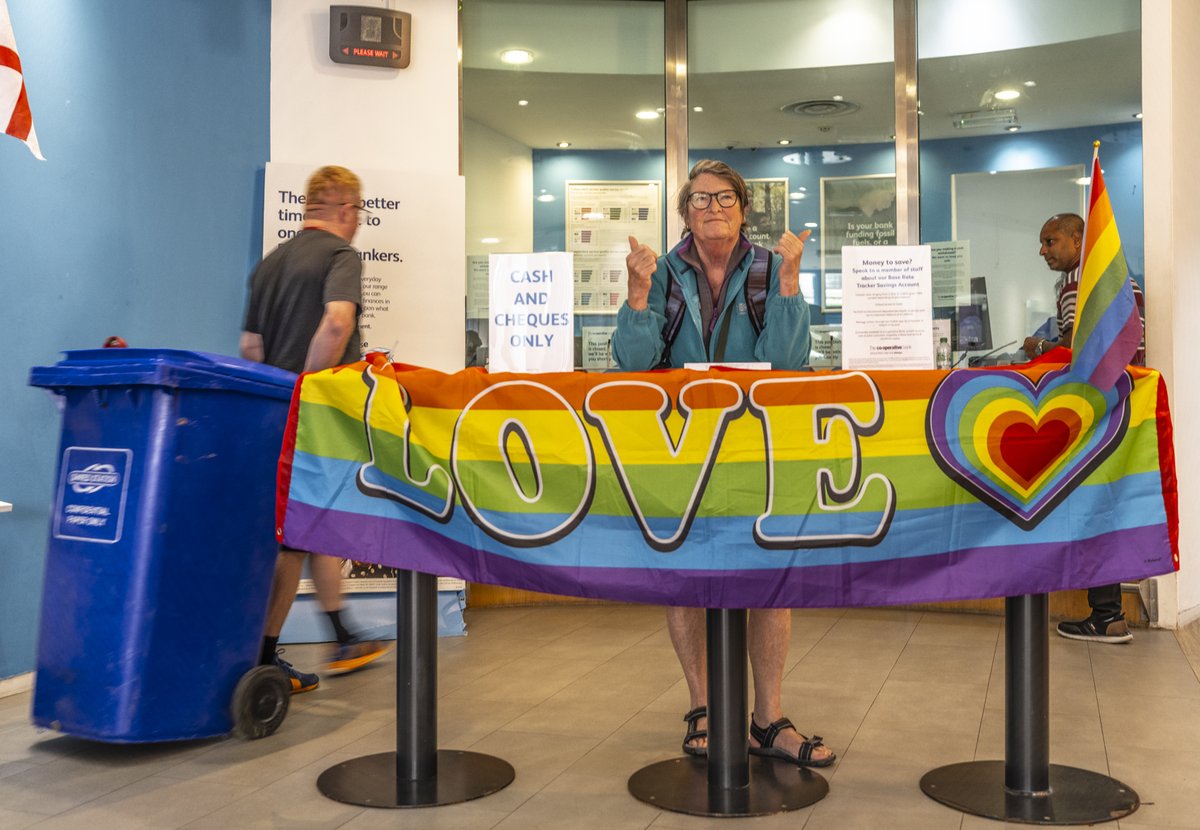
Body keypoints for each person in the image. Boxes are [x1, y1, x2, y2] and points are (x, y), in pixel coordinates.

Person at [611, 159, 833, 767]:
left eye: (725, 197)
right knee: (684, 577)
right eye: (701, 199)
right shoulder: (659, 271)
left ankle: (768, 719)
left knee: (769, 578)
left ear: (744, 208)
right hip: (679, 447)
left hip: (756, 445)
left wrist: (789, 284)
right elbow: (632, 366)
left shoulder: (768, 266)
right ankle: (703, 706)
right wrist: (636, 296)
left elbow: (787, 364)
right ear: (685, 213)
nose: (713, 208)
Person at [241, 165, 390, 691]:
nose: (358, 223)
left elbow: (250, 348)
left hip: (273, 415)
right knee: (294, 538)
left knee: (313, 523)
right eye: (358, 213)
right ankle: (263, 659)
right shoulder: (340, 255)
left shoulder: (268, 266)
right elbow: (337, 322)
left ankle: (342, 633)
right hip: (314, 417)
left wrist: (280, 396)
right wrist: (309, 388)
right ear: (346, 209)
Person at [1021, 212, 1145, 644]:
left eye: (1051, 240)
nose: (1043, 250)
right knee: (1105, 508)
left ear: (1077, 240)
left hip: (1098, 409)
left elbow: (1077, 349)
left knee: (1093, 508)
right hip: (1124, 404)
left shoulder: (1079, 282)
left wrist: (1038, 347)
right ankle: (1109, 613)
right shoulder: (1113, 277)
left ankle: (1107, 615)